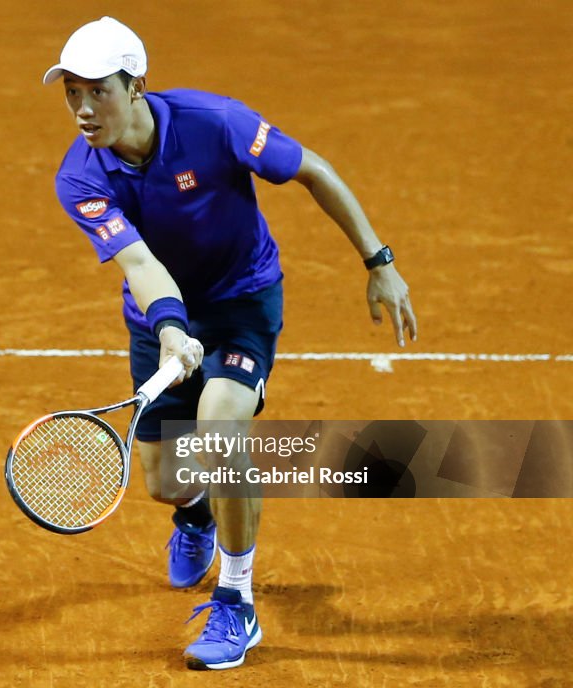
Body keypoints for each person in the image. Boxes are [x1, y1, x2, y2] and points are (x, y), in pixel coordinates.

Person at [42, 16, 417, 670]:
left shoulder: (215, 123)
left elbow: (315, 171)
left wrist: (378, 260)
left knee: (219, 430)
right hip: (160, 319)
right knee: (168, 483)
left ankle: (236, 602)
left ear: (137, 87)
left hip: (244, 297)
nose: (81, 108)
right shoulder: (80, 176)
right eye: (71, 92)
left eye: (97, 90)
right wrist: (170, 329)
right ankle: (195, 519)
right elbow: (140, 265)